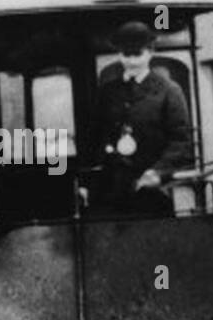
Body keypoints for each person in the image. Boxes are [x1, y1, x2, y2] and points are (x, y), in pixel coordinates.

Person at [81, 20, 193, 215]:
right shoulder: (107, 92)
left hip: (151, 193)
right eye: (126, 54)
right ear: (119, 54)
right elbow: (93, 139)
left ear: (150, 52)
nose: (132, 61)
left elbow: (181, 142)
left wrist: (157, 172)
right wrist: (85, 184)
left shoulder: (168, 91)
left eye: (137, 54)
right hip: (108, 194)